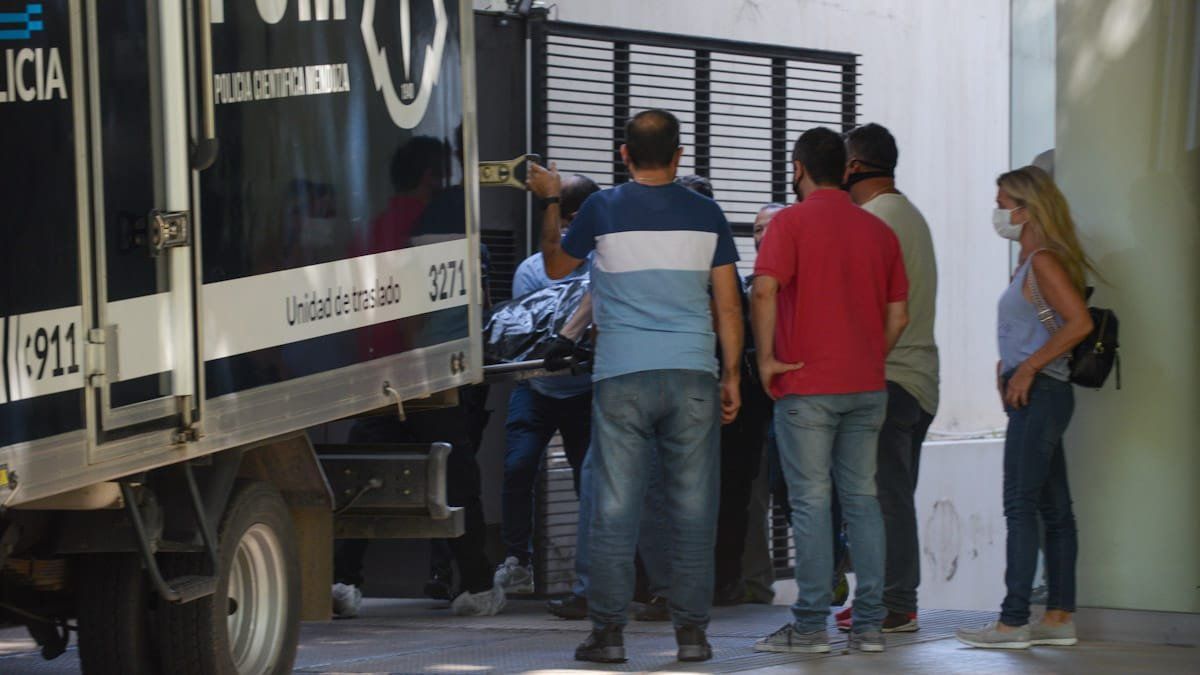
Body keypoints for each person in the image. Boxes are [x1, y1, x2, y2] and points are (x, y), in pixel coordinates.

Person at [530, 108, 743, 664]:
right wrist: (734, 374)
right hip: (694, 373)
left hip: (622, 376)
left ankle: (608, 635)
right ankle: (692, 636)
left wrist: (552, 199)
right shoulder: (708, 214)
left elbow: (556, 267)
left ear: (623, 155)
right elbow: (727, 303)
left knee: (615, 508)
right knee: (695, 508)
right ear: (678, 155)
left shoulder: (600, 207)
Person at [751, 126, 909, 655]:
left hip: (807, 384)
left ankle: (812, 628)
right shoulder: (879, 232)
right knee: (863, 501)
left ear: (797, 168)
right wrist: (870, 356)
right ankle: (867, 628)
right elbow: (899, 315)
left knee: (812, 505)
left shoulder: (788, 224)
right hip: (867, 385)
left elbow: (766, 289)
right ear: (846, 169)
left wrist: (768, 358)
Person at [956, 165, 1094, 650]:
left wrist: (1028, 368)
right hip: (1037, 395)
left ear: (1027, 208)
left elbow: (1078, 324)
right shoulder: (1031, 260)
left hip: (1042, 396)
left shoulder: (1043, 262)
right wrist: (1010, 365)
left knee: (1020, 505)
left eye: (1003, 203)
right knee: (1055, 510)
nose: (998, 213)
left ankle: (1013, 622)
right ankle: (1058, 617)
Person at [835, 123, 939, 634]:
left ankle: (896, 603)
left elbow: (870, 308)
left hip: (888, 378)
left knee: (884, 498)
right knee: (883, 497)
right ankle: (881, 597)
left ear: (854, 167)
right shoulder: (907, 214)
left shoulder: (877, 220)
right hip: (916, 380)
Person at [493, 174, 602, 595]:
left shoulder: (602, 263)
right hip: (536, 386)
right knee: (518, 466)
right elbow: (523, 334)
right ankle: (517, 560)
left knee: (588, 478)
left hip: (585, 389)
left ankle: (592, 574)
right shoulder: (532, 269)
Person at [713, 202, 780, 606]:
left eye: (769, 228)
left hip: (792, 407)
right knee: (750, 500)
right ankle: (753, 586)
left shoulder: (793, 282)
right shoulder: (743, 284)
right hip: (753, 415)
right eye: (755, 230)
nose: (760, 236)